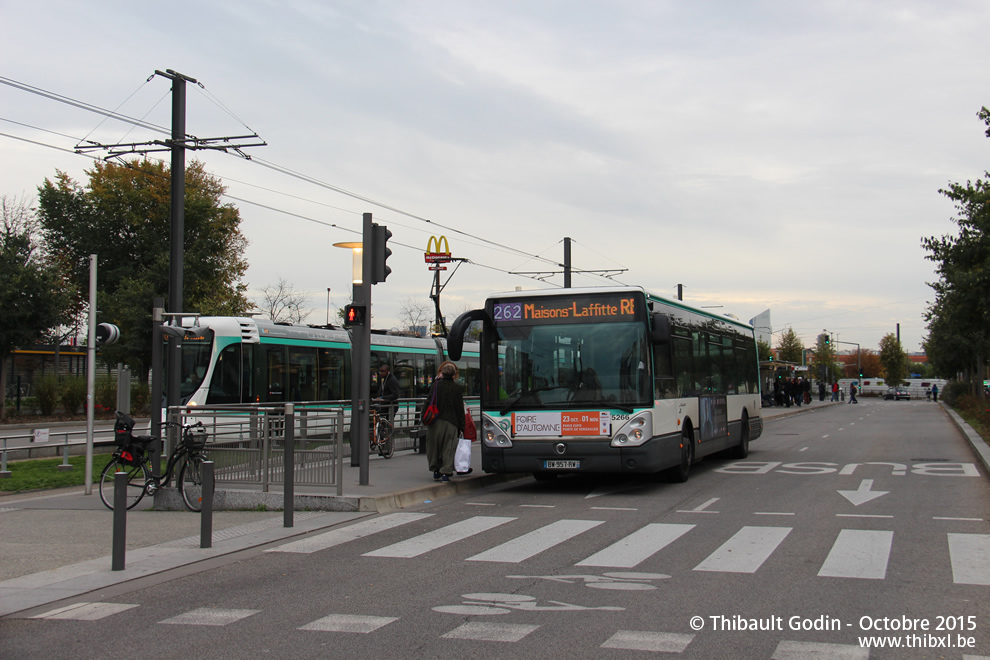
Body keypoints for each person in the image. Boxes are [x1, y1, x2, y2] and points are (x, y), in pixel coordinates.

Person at [426, 361, 464, 482]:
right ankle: (446, 472)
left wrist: (424, 417)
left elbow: (428, 401)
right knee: (449, 447)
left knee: (434, 446)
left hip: (435, 421)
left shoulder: (435, 385)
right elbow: (459, 408)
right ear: (454, 375)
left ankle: (435, 469)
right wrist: (461, 425)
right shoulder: (457, 388)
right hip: (451, 422)